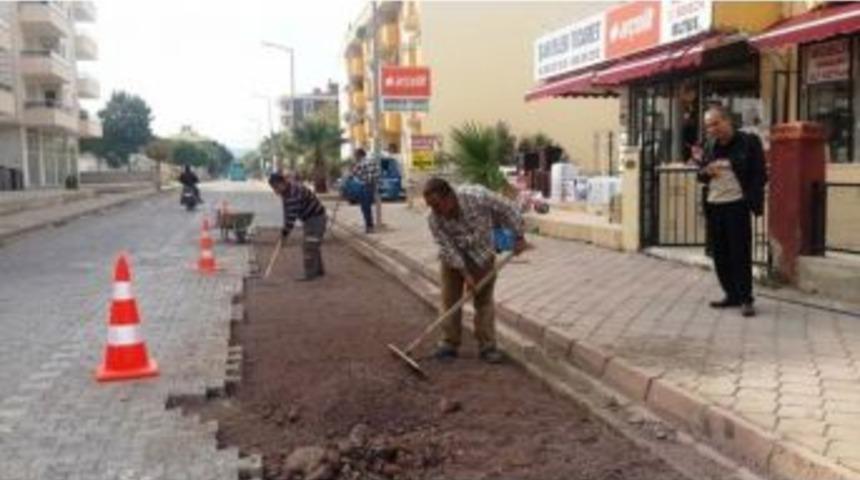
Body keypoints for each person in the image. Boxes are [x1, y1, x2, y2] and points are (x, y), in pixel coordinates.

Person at [423, 177, 527, 364]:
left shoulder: (477, 196)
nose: (435, 211)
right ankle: (449, 344)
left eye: (437, 205)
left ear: (449, 196)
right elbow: (446, 247)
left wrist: (518, 236)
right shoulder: (433, 218)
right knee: (449, 299)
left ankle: (487, 346)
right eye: (431, 206)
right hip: (453, 259)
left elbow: (509, 208)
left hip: (482, 254)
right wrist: (465, 274)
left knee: (484, 301)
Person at [697, 105, 767, 317]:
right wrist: (706, 171)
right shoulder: (709, 146)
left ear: (728, 121)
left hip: (737, 205)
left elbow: (760, 174)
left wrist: (750, 199)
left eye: (716, 123)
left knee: (740, 253)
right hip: (714, 205)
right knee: (719, 254)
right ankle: (731, 295)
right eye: (708, 126)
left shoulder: (748, 142)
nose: (712, 129)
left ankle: (746, 299)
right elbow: (700, 175)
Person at [268, 172, 328, 281]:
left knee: (309, 245)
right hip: (310, 219)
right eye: (273, 188)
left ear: (282, 183)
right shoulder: (286, 192)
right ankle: (319, 271)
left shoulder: (293, 193)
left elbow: (291, 217)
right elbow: (287, 213)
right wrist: (284, 232)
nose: (275, 191)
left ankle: (310, 275)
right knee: (313, 245)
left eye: (276, 187)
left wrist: (285, 233)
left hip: (316, 219)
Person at [351, 148, 379, 233]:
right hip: (370, 186)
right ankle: (369, 226)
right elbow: (376, 174)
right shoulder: (372, 161)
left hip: (365, 186)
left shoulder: (361, 163)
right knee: (367, 207)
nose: (355, 157)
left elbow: (354, 174)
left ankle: (369, 227)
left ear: (359, 155)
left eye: (355, 155)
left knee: (365, 207)